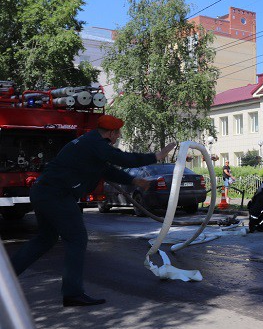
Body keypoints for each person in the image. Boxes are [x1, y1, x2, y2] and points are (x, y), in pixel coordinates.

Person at [10, 115, 176, 307]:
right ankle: (72, 293)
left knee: (45, 239)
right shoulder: (96, 144)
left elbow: (106, 170)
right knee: (77, 239)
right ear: (112, 133)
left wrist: (133, 181)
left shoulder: (90, 143)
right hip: (56, 195)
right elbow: (123, 158)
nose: (119, 137)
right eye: (118, 133)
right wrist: (156, 156)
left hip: (43, 191)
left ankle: (6, 278)